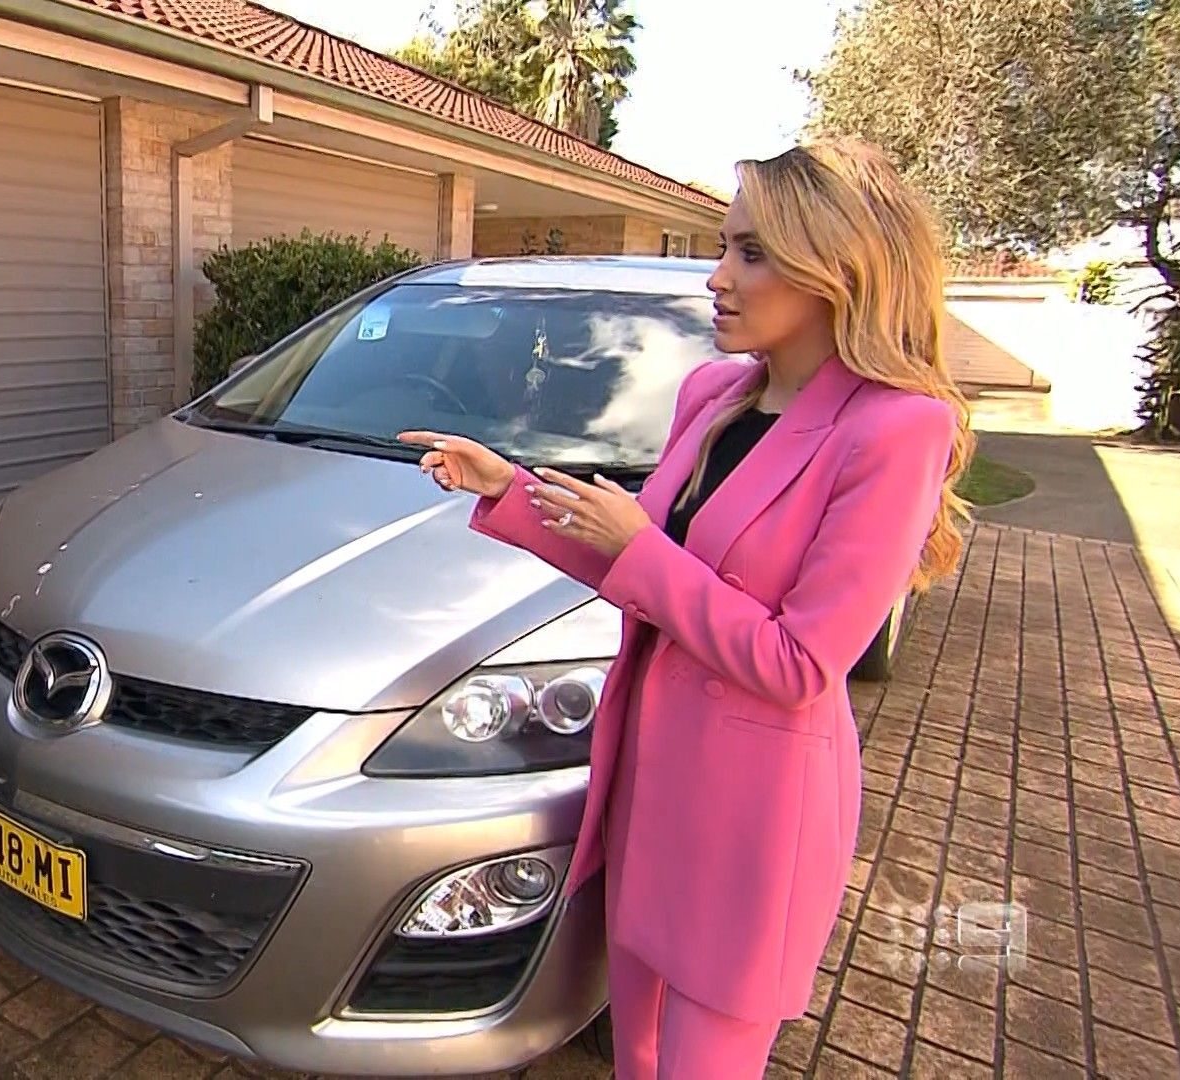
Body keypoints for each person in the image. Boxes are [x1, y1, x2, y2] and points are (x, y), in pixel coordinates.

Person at [401, 137, 973, 1077]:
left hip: (750, 818)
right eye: (722, 246)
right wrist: (508, 488)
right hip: (648, 784)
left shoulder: (896, 427)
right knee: (637, 1057)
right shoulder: (714, 395)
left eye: (751, 253)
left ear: (834, 268)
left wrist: (643, 551)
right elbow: (643, 565)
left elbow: (801, 663)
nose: (717, 277)